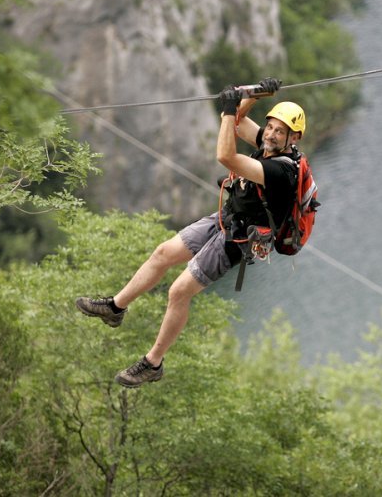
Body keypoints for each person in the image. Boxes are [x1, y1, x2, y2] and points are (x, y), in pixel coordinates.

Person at [75, 77, 307, 387]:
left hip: (237, 239)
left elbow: (226, 155)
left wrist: (229, 106)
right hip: (226, 216)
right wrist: (251, 95)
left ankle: (153, 362)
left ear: (294, 138)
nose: (272, 134)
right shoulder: (268, 145)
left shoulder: (281, 171)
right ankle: (115, 307)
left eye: (281, 131)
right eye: (271, 127)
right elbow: (237, 126)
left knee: (179, 291)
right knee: (163, 253)